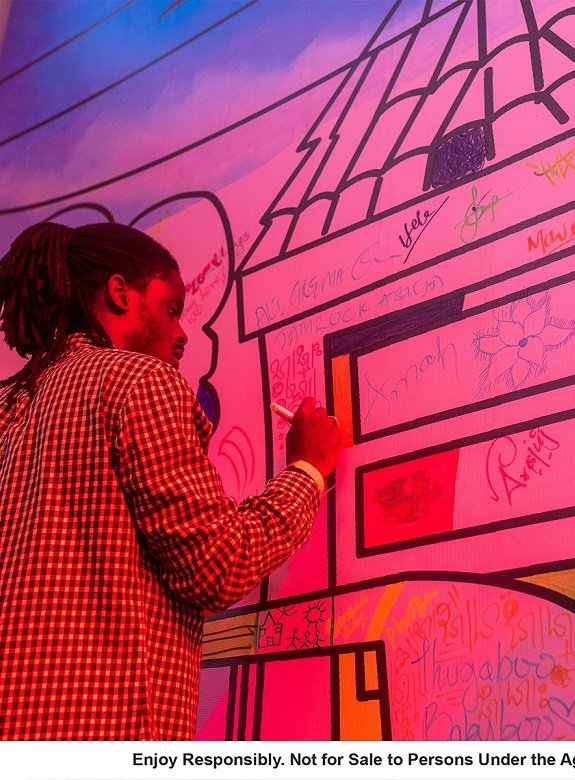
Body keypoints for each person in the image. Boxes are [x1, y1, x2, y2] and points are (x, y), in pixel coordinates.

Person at [0, 222, 341, 740]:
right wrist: (307, 470)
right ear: (120, 294)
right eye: (171, 308)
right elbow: (217, 564)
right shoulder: (141, 380)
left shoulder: (9, 406)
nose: (182, 333)